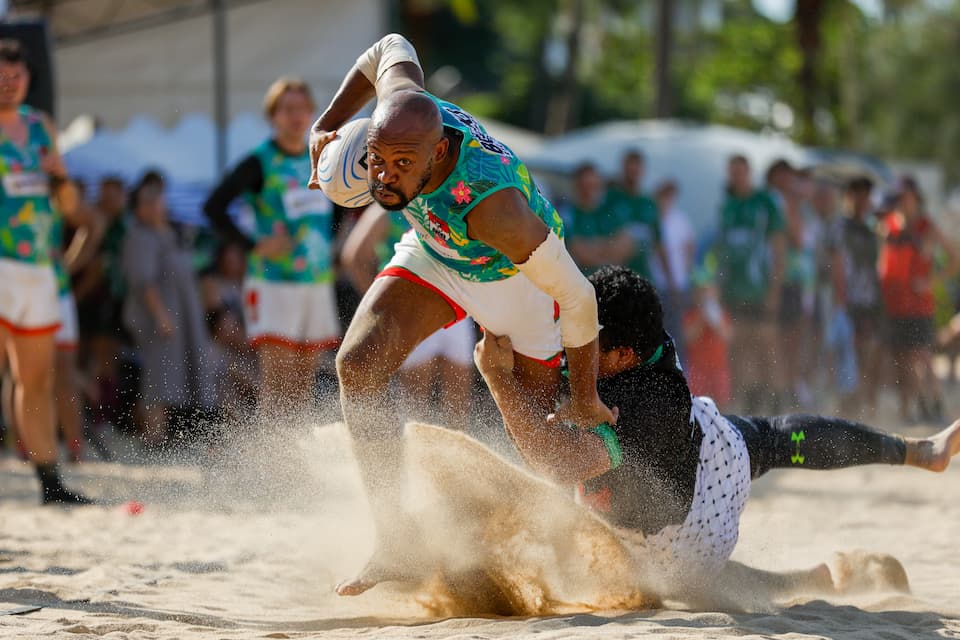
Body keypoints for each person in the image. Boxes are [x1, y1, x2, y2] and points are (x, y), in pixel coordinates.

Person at [306, 33, 613, 595]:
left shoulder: (498, 210)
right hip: (437, 253)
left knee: (545, 451)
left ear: (440, 152)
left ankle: (588, 533)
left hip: (517, 284)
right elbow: (388, 47)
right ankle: (394, 539)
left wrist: (587, 394)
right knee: (357, 366)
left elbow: (579, 297)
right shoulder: (401, 105)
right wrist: (323, 124)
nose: (384, 178)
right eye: (377, 161)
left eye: (403, 165)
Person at [475, 265, 960, 607]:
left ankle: (917, 450)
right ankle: (908, 464)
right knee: (771, 440)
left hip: (684, 536)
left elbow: (560, 463)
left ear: (621, 354)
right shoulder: (635, 345)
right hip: (687, 462)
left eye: (586, 339)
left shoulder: (651, 403)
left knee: (771, 443)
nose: (572, 344)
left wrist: (497, 380)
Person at [204, 77, 340, 417]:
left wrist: (332, 248)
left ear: (312, 113)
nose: (296, 116)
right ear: (273, 116)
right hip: (273, 282)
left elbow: (339, 210)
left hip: (317, 283)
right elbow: (214, 207)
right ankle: (273, 464)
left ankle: (299, 464)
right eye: (287, 109)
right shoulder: (259, 161)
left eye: (302, 108)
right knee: (278, 382)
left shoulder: (322, 160)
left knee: (304, 386)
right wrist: (252, 245)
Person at [0, 39, 90, 504]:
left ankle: (48, 482)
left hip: (37, 267)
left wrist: (60, 178)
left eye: (15, 77)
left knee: (35, 378)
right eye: (1, 77)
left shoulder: (40, 127)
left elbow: (71, 209)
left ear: (28, 81)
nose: (8, 85)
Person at [340, 202, 475, 431]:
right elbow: (353, 257)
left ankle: (453, 458)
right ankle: (413, 459)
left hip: (453, 303)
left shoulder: (445, 202)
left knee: (457, 394)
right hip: (412, 307)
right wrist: (379, 304)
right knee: (416, 396)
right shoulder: (388, 210)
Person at [121, 183, 216, 446]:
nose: (154, 206)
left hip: (182, 315)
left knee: (175, 374)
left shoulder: (171, 233)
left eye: (157, 200)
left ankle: (166, 432)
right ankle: (153, 432)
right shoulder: (140, 237)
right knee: (158, 374)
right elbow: (144, 282)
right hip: (159, 317)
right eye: (147, 202)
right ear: (138, 209)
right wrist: (161, 315)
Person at [878, 178, 959, 423]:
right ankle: (908, 409)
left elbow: (954, 258)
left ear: (915, 197)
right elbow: (883, 261)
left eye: (906, 197)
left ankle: (933, 406)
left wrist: (932, 280)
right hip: (894, 304)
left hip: (920, 305)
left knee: (923, 356)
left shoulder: (927, 227)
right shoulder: (887, 225)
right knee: (902, 359)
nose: (903, 203)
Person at [716, 155, 786, 414]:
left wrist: (775, 289)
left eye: (741, 172)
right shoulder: (728, 206)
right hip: (736, 288)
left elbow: (779, 247)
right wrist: (720, 286)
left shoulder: (765, 203)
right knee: (741, 346)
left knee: (767, 344)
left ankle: (778, 400)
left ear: (749, 173)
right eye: (733, 172)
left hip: (761, 287)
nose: (737, 177)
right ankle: (750, 402)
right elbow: (723, 251)